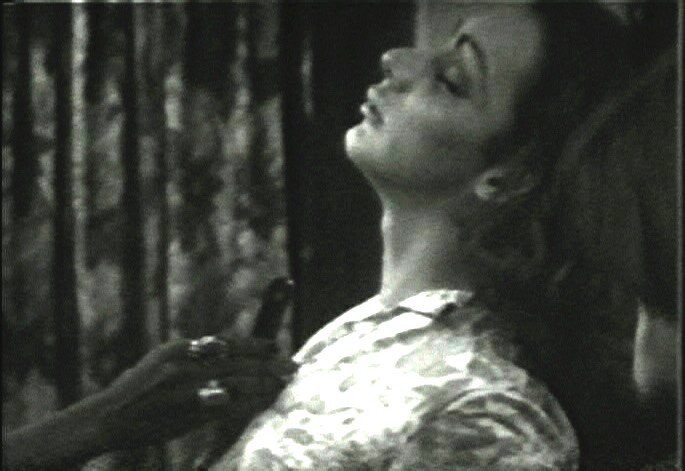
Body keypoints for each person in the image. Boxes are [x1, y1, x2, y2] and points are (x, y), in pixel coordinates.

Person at [4, 3, 641, 470]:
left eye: (451, 79)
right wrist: (111, 426)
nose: (397, 60)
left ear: (510, 176)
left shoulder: (483, 412)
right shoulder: (365, 329)